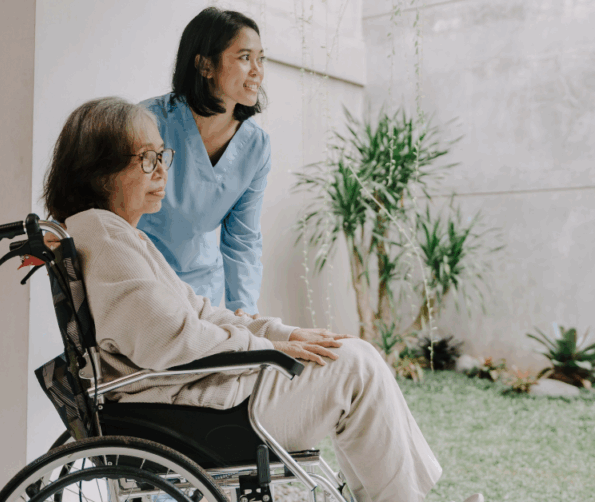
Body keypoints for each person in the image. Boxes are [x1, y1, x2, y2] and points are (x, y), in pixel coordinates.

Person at [40, 96, 477, 502]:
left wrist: (282, 334)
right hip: (194, 410)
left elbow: (199, 312)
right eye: (147, 159)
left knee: (352, 356)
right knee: (357, 366)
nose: (161, 171)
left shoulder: (111, 233)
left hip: (194, 396)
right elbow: (171, 339)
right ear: (101, 171)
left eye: (162, 155)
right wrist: (268, 347)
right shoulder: (108, 239)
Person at [138, 7, 271, 319]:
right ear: (205, 65)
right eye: (245, 57)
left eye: (261, 59)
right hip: (142, 280)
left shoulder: (256, 145)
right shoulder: (147, 122)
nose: (257, 71)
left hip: (202, 294)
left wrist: (244, 310)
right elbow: (108, 206)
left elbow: (242, 238)